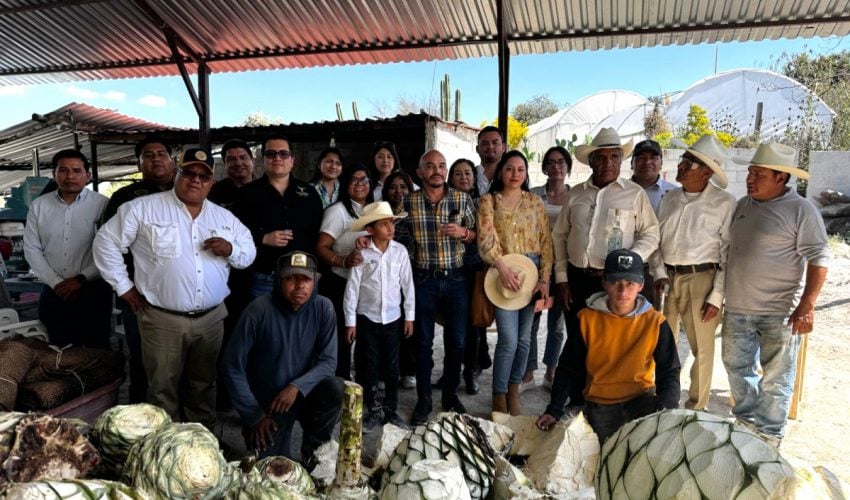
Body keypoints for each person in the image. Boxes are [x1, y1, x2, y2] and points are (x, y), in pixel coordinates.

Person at [94, 148, 256, 429]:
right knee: (161, 388)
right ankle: (165, 446)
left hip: (211, 318)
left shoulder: (223, 218)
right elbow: (105, 243)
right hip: (162, 318)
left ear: (211, 183)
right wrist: (125, 288)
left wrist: (230, 249)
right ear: (176, 174)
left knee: (204, 385)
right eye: (189, 172)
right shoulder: (143, 208)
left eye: (203, 176)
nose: (195, 180)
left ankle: (203, 441)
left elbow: (248, 253)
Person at [722, 142, 829, 445]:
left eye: (759, 174)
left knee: (776, 379)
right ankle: (745, 424)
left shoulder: (801, 210)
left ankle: (769, 437)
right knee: (737, 369)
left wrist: (807, 305)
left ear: (781, 177)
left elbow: (819, 259)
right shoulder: (744, 205)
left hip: (779, 311)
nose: (750, 178)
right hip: (738, 308)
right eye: (750, 172)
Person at [551, 127, 660, 411]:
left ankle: (609, 401)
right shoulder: (575, 194)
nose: (608, 163)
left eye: (614, 157)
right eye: (601, 157)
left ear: (621, 161)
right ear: (591, 161)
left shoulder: (634, 195)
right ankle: (577, 400)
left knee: (612, 343)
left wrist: (627, 262)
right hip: (577, 278)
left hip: (614, 283)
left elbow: (651, 233)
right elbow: (559, 236)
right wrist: (561, 279)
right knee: (578, 341)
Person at [536, 249, 680, 443]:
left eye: (630, 283)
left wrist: (666, 410)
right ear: (604, 283)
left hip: (641, 401)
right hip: (599, 404)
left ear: (641, 285)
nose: (622, 291)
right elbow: (568, 367)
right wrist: (554, 409)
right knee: (603, 456)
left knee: (650, 452)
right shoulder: (587, 318)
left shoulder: (656, 322)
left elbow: (669, 371)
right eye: (615, 282)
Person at [223, 251, 343, 462]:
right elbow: (232, 366)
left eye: (306, 278)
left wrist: (297, 386)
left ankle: (315, 452)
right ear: (277, 280)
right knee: (272, 469)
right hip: (270, 403)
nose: (300, 285)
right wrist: (253, 416)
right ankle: (256, 436)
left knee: (335, 387)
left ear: (316, 280)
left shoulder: (323, 308)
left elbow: (328, 362)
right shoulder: (258, 310)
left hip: (304, 394)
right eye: (291, 278)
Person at [651, 134, 736, 411]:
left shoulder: (724, 203)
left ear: (707, 171)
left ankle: (696, 409)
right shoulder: (669, 199)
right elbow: (655, 241)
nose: (682, 165)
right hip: (667, 278)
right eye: (684, 159)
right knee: (663, 343)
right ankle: (664, 402)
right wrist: (659, 272)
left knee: (702, 348)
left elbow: (728, 252)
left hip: (703, 280)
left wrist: (717, 295)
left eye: (690, 162)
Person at [402, 149, 477, 425]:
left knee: (456, 342)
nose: (436, 170)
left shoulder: (462, 198)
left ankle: (449, 396)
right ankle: (424, 400)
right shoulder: (408, 202)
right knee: (422, 343)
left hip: (457, 279)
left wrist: (464, 233)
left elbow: (478, 235)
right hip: (423, 279)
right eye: (430, 166)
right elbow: (398, 237)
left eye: (441, 166)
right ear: (420, 172)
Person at [101, 136, 176, 403]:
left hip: (183, 296)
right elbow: (106, 246)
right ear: (139, 163)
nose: (155, 159)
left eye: (161, 153)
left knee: (185, 361)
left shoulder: (190, 191)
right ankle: (139, 413)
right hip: (140, 297)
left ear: (172, 159)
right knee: (143, 357)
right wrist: (125, 288)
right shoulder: (125, 197)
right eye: (148, 155)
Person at [478, 151, 553, 415]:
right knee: (507, 340)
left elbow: (546, 243)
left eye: (520, 169)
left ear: (526, 173)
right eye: (509, 168)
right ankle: (498, 394)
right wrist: (502, 267)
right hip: (503, 272)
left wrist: (544, 280)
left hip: (531, 273)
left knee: (524, 340)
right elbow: (486, 239)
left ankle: (513, 391)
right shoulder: (489, 202)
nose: (515, 174)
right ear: (500, 172)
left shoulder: (535, 202)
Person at [23, 149, 111, 348]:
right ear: (54, 174)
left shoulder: (103, 205)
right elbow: (32, 249)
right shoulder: (39, 206)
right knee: (57, 351)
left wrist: (81, 279)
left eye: (76, 170)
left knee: (96, 352)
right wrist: (56, 283)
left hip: (93, 291)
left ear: (88, 176)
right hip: (54, 292)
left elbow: (109, 250)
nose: (69, 176)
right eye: (63, 170)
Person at [344, 202, 414, 431]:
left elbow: (408, 286)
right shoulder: (361, 254)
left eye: (391, 223)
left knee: (392, 366)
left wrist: (409, 317)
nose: (390, 228)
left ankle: (391, 410)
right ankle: (373, 410)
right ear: (370, 230)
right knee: (369, 366)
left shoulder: (400, 252)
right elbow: (352, 289)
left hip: (393, 318)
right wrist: (350, 322)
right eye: (383, 224)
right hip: (367, 318)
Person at [234, 136, 323, 299]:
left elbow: (318, 234)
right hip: (264, 277)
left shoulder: (309, 193)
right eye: (271, 154)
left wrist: (318, 269)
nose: (277, 158)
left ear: (292, 160)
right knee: (265, 325)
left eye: (283, 154)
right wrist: (262, 238)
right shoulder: (247, 194)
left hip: (303, 276)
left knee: (300, 325)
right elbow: (234, 235)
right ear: (263, 160)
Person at [314, 164, 373, 380]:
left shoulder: (374, 210)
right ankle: (340, 387)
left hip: (366, 287)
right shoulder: (337, 211)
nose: (359, 184)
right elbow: (321, 247)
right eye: (354, 180)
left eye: (364, 179)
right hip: (340, 283)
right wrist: (342, 261)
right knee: (343, 339)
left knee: (366, 339)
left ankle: (365, 389)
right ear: (345, 184)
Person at [525, 146, 572, 390]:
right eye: (551, 162)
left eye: (561, 162)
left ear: (568, 167)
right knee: (531, 321)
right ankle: (529, 373)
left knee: (557, 325)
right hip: (536, 266)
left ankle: (550, 372)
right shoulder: (532, 196)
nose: (556, 166)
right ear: (544, 167)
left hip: (563, 266)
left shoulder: (576, 196)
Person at [448, 158, 490, 395]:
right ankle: (451, 370)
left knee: (474, 325)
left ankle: (471, 371)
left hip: (473, 270)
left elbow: (485, 235)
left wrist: (467, 234)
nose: (463, 177)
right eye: (458, 174)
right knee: (453, 326)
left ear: (474, 179)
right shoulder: (443, 201)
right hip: (450, 270)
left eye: (467, 173)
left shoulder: (480, 203)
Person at [381, 170, 417, 389]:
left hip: (413, 274)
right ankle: (386, 372)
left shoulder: (415, 211)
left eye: (403, 187)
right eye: (393, 187)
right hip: (387, 275)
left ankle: (409, 371)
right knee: (389, 325)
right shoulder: (379, 213)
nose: (398, 191)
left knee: (410, 323)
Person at [630, 139, 677, 213]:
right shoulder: (618, 192)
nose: (647, 162)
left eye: (653, 158)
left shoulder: (674, 194)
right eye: (642, 157)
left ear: (661, 163)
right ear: (631, 163)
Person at [209, 139, 255, 210]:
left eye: (243, 158)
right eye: (231, 159)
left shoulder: (265, 191)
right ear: (224, 164)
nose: (238, 163)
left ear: (252, 161)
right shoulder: (213, 192)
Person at [475, 126, 506, 196]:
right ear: (477, 149)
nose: (490, 146)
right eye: (485, 143)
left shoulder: (514, 175)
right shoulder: (468, 175)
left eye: (495, 143)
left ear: (503, 147)